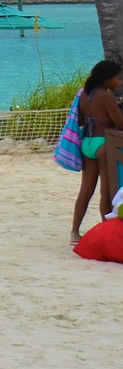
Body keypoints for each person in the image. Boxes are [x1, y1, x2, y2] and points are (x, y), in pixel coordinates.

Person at [70, 60, 123, 244]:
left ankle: (74, 232)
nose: (119, 82)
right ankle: (106, 231)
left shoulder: (85, 94)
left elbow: (81, 120)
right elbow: (119, 123)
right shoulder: (106, 96)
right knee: (107, 193)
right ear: (107, 78)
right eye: (117, 78)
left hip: (88, 143)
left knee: (85, 191)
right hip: (104, 144)